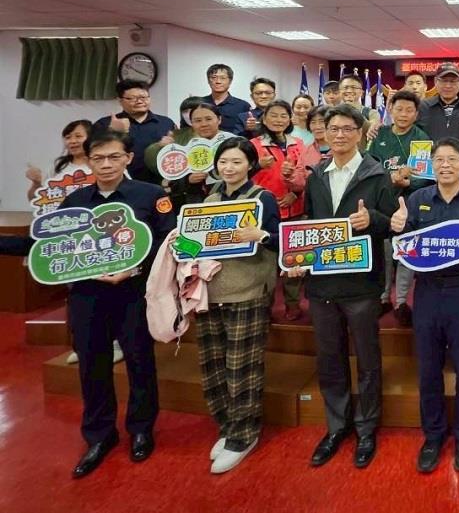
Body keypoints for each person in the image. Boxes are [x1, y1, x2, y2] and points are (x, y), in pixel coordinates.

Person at [62, 130, 175, 478]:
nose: (106, 164)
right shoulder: (74, 201)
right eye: (98, 158)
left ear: (128, 157)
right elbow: (51, 246)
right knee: (91, 365)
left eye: (114, 157)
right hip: (87, 295)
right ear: (88, 161)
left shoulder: (152, 195)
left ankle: (141, 429)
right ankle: (99, 435)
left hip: (133, 293)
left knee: (140, 361)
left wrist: (135, 268)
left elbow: (167, 240)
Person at [290, 104, 397, 470]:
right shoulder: (316, 175)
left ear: (360, 133)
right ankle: (337, 426)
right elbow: (309, 224)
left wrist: (373, 219)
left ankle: (367, 428)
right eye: (333, 128)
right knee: (329, 359)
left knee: (367, 360)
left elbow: (392, 225)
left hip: (361, 284)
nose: (339, 135)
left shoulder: (376, 174)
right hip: (322, 284)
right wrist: (297, 258)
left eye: (347, 128)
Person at [390, 137, 459, 474]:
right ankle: (433, 435)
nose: (445, 165)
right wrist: (397, 228)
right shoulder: (418, 199)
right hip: (427, 292)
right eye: (439, 160)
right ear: (431, 165)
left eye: (452, 159)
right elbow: (404, 246)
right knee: (428, 368)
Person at [187, 137, 281, 474]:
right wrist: (181, 244)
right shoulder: (210, 198)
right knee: (213, 364)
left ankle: (244, 435)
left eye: (237, 162)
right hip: (209, 293)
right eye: (223, 161)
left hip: (248, 291)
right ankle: (227, 426)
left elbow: (280, 240)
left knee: (242, 366)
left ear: (250, 165)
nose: (229, 168)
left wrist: (261, 236)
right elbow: (195, 244)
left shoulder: (262, 198)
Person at [25, 119, 118, 367]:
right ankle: (83, 344)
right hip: (68, 238)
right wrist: (36, 183)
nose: (73, 141)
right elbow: (39, 201)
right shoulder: (59, 167)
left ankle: (114, 342)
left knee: (109, 294)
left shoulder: (104, 164)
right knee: (77, 294)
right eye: (68, 137)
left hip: (102, 236)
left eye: (78, 136)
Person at [367, 90, 430, 326]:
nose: (403, 114)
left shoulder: (421, 138)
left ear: (416, 114)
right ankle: (383, 297)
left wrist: (407, 182)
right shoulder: (379, 134)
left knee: (406, 250)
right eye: (399, 109)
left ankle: (401, 301)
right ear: (391, 110)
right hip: (382, 202)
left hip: (410, 203)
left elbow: (424, 176)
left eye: (409, 110)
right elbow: (369, 168)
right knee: (383, 251)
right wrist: (390, 179)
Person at [252, 99, 306, 320]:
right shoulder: (253, 145)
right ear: (264, 119)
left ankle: (293, 304)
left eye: (283, 115)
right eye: (273, 115)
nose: (278, 120)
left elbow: (305, 174)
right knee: (266, 263)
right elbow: (242, 173)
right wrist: (258, 165)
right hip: (266, 211)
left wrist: (296, 194)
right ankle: (265, 305)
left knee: (293, 259)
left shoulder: (298, 143)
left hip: (294, 208)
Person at [146, 99, 232, 210]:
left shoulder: (233, 142)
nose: (204, 124)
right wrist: (188, 180)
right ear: (191, 123)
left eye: (208, 119)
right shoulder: (183, 146)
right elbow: (171, 180)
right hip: (194, 203)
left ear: (219, 119)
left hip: (229, 200)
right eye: (198, 120)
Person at [92, 80, 176, 182]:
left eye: (143, 97)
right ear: (120, 100)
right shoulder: (104, 124)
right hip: (118, 182)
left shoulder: (166, 123)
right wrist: (112, 132)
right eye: (132, 98)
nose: (139, 101)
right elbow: (93, 152)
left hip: (159, 182)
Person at [417, 63, 459, 144]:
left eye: (453, 81)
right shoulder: (423, 106)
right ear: (435, 81)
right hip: (431, 152)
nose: (448, 86)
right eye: (444, 81)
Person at [203, 63, 251, 135]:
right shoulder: (199, 103)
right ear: (208, 80)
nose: (218, 81)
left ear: (230, 81)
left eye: (223, 78)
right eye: (214, 77)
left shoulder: (243, 106)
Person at [299, 104, 331, 169]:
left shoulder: (342, 149)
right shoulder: (306, 151)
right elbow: (299, 173)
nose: (317, 127)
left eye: (322, 122)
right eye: (313, 122)